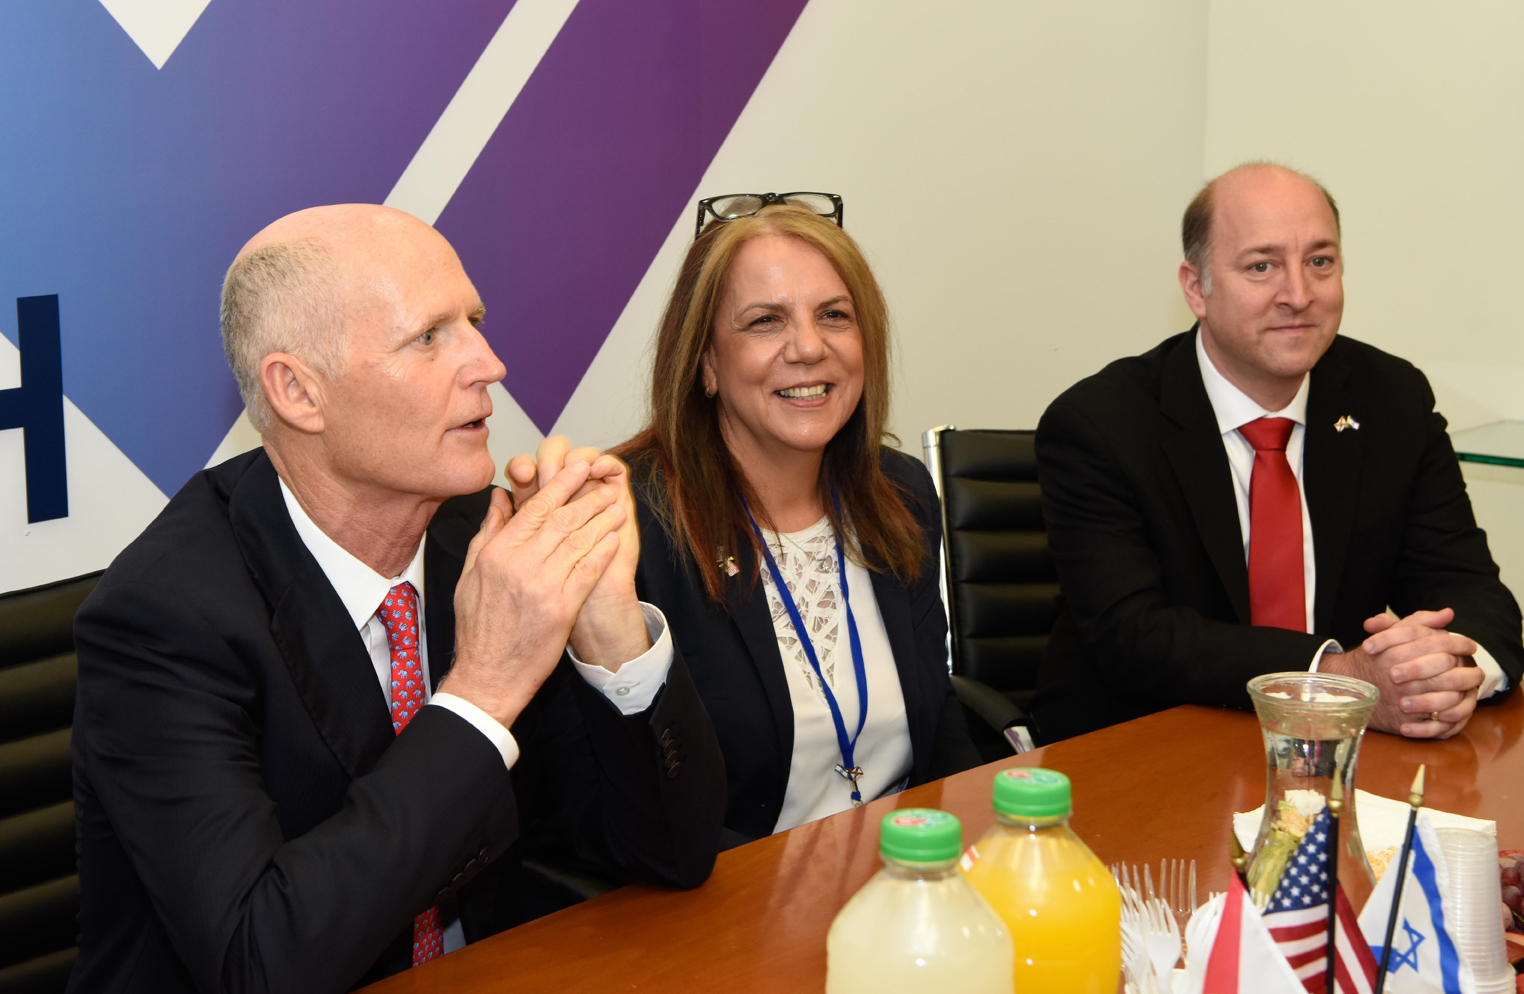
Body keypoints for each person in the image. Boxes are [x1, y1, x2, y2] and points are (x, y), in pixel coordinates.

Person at [67, 205, 726, 994]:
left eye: (475, 322)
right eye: (429, 337)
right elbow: (259, 963)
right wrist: (481, 692)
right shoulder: (161, 620)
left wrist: (609, 622)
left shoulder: (473, 544)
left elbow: (671, 854)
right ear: (298, 393)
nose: (489, 363)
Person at [527, 194, 980, 846]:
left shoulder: (900, 493)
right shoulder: (627, 526)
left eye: (834, 316)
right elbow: (598, 809)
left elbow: (935, 722)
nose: (808, 347)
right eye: (765, 321)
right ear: (707, 363)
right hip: (727, 904)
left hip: (903, 880)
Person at [1034, 163, 1523, 743]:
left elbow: (1470, 591)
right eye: (1261, 266)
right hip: (1150, 749)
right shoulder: (1101, 423)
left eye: (1320, 261)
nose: (1298, 295)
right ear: (1196, 288)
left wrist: (1447, 675)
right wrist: (1335, 679)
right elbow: (1134, 635)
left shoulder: (1391, 398)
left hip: (1346, 761)